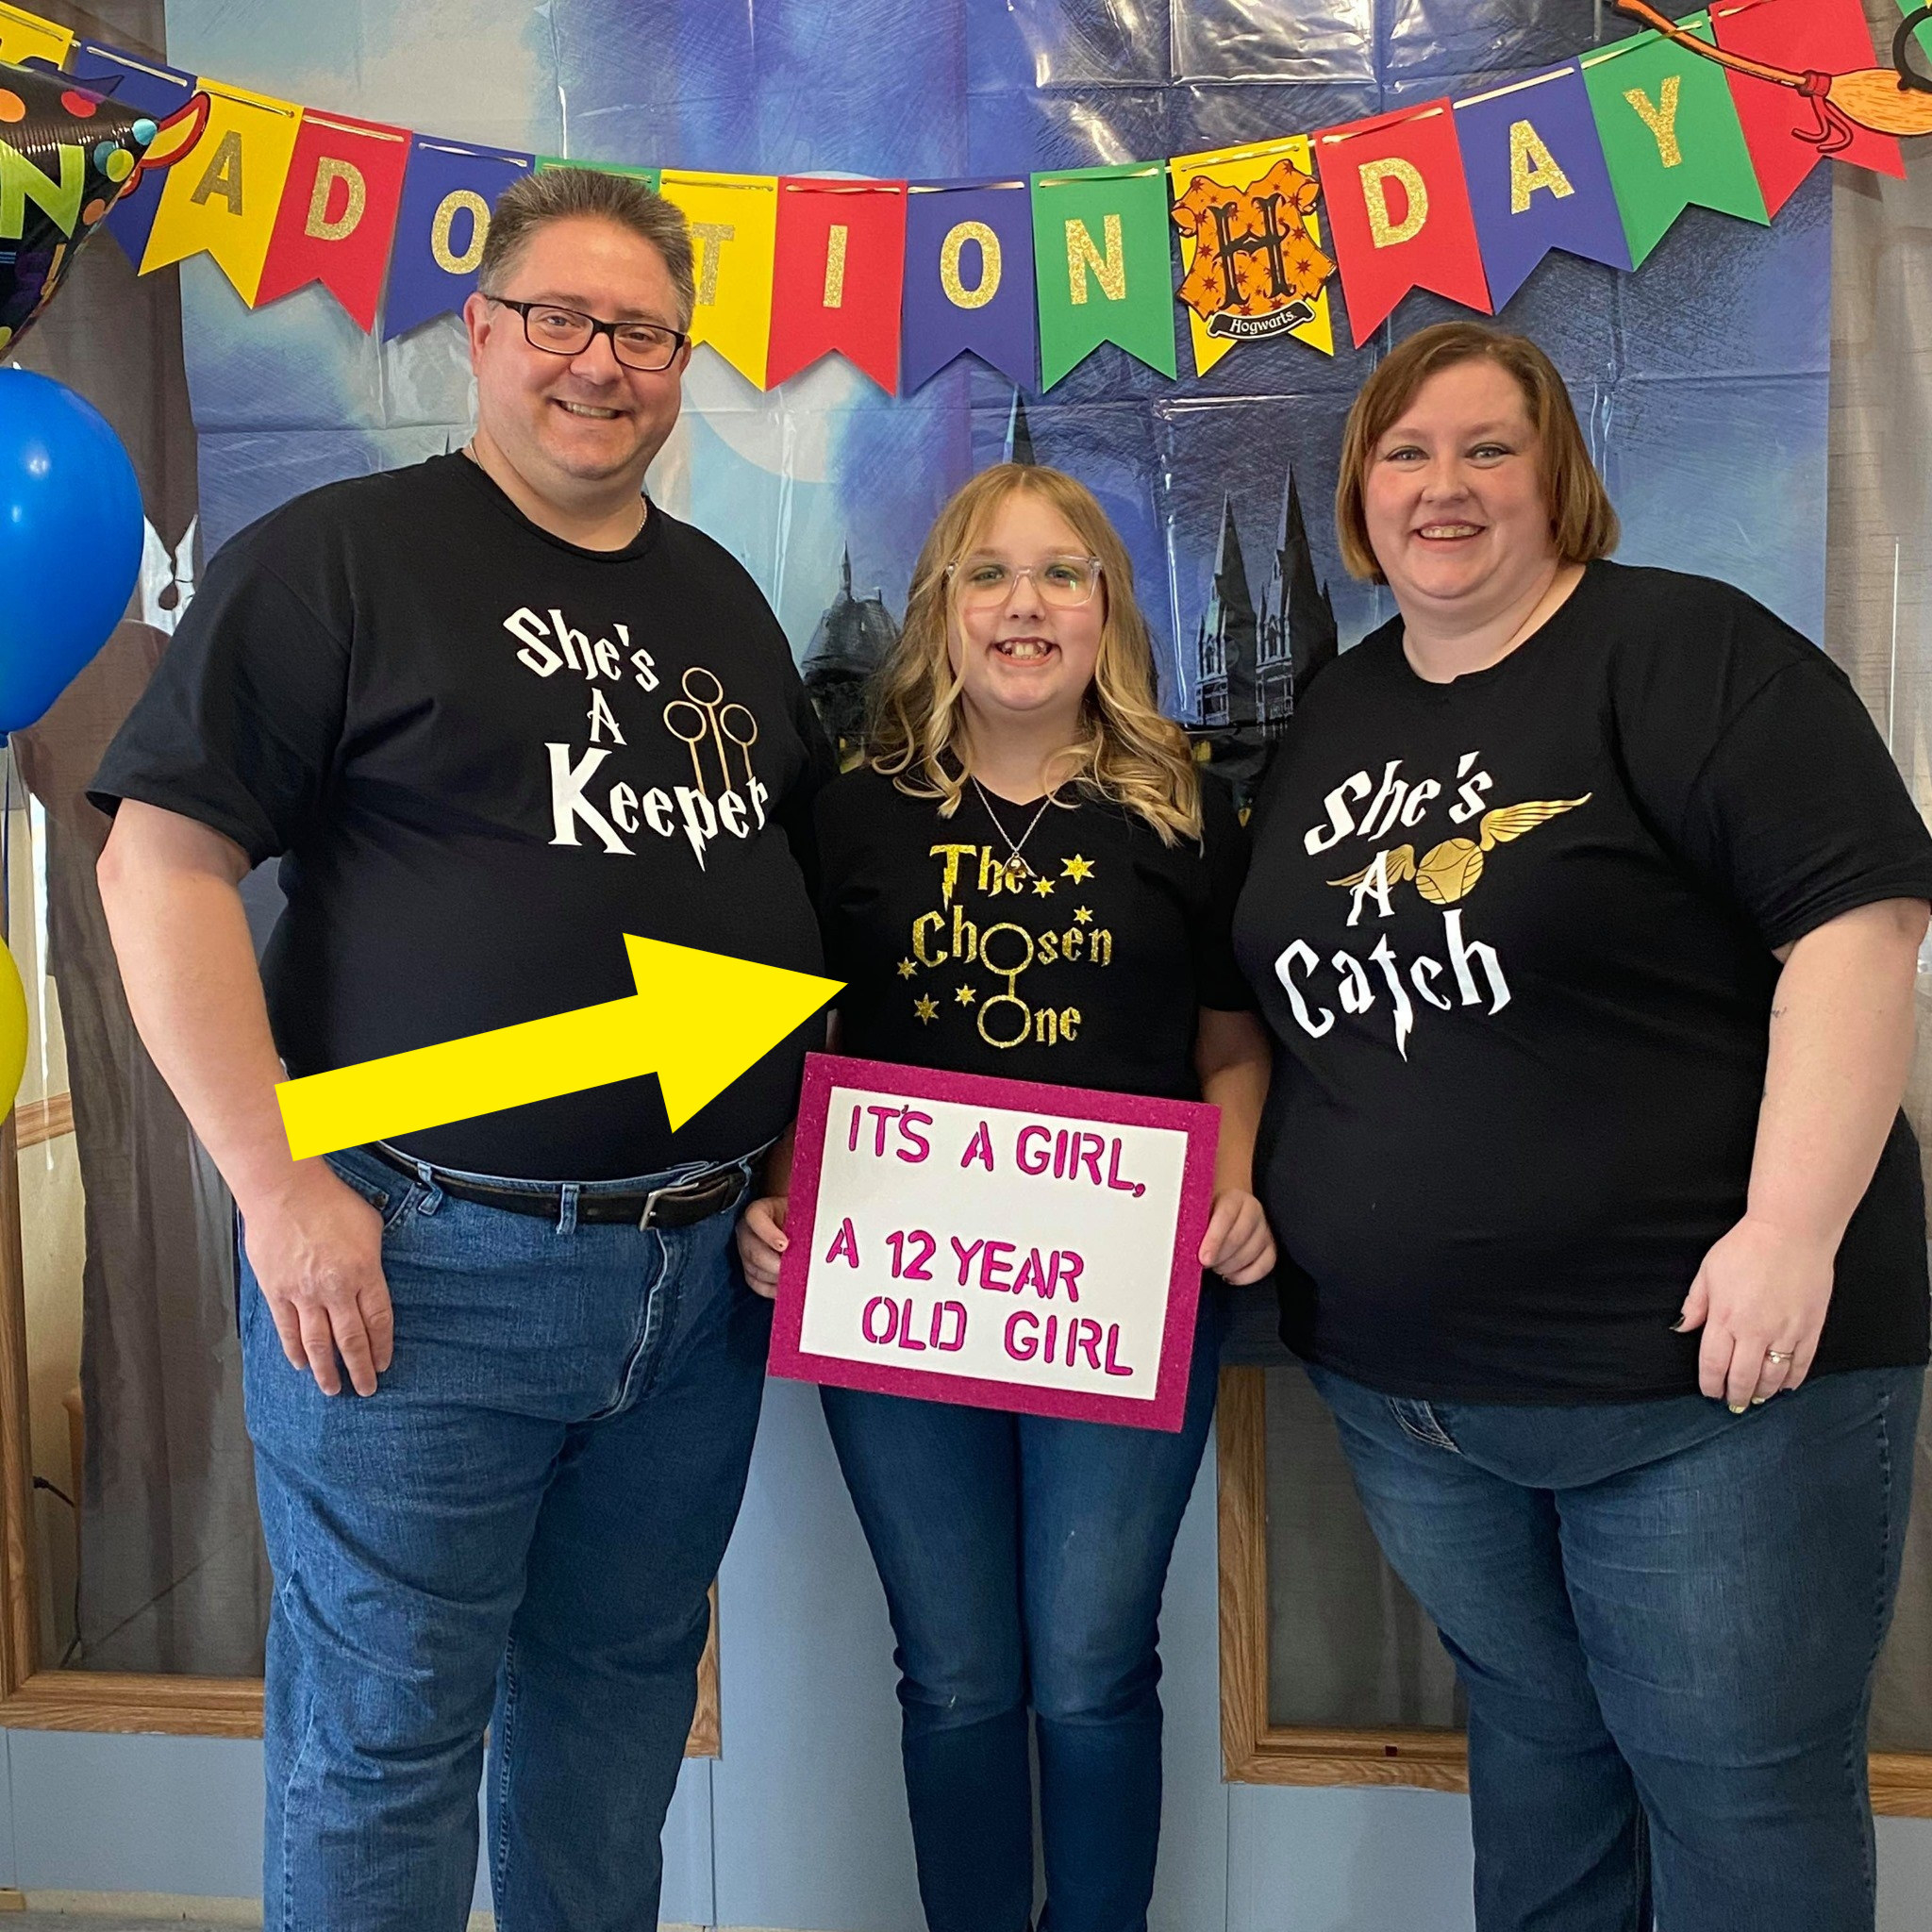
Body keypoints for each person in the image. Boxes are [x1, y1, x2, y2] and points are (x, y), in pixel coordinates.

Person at [91, 166, 834, 1932]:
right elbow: (156, 860)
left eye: (641, 331)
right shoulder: (338, 561)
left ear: (681, 363)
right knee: (382, 1758)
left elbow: (780, 906)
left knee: (613, 1738)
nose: (600, 364)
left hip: (694, 1291)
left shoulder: (721, 597)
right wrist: (277, 1189)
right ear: (482, 337)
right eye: (559, 321)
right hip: (422, 1273)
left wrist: (789, 1169)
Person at [1235, 320, 1932, 1932]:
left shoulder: (1688, 654)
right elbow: (1252, 994)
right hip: (1417, 1408)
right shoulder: (1336, 710)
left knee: (1738, 1789)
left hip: (1699, 1386)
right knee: (1542, 1771)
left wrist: (1791, 1233)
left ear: (1561, 475)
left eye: (1492, 447)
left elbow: (1858, 928)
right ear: (1359, 496)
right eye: (1407, 454)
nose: (1446, 486)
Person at [738, 463, 1275, 1932]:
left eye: (1061, 572)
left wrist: (1226, 1184)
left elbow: (1235, 1051)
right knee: (958, 1667)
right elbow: (800, 1049)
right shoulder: (847, 815)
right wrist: (782, 1196)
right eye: (988, 573)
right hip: (903, 1296)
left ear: (1109, 610)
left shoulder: (1189, 816)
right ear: (940, 614)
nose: (1024, 602)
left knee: (1094, 1662)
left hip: (1125, 1295)